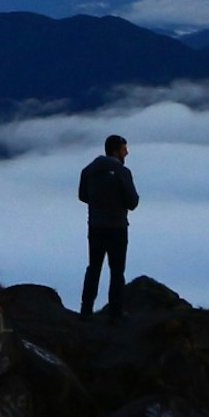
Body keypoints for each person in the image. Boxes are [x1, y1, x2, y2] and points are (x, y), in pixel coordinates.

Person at [75, 133, 138, 315]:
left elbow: (82, 196)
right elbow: (132, 202)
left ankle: (86, 310)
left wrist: (98, 204)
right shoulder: (122, 172)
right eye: (124, 149)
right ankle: (115, 313)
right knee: (117, 271)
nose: (126, 153)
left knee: (93, 267)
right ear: (116, 150)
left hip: (95, 226)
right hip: (117, 227)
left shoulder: (89, 170)